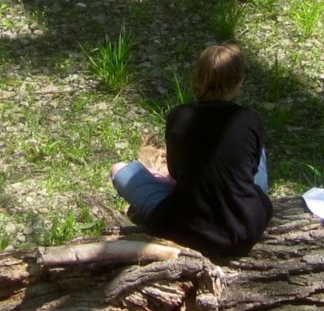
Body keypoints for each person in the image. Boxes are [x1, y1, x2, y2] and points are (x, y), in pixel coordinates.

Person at [109, 44, 273, 257]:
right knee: (256, 151)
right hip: (246, 228)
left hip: (185, 229)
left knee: (118, 169)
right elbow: (249, 169)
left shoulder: (179, 116)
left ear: (197, 77)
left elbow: (175, 173)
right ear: (239, 81)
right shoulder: (249, 119)